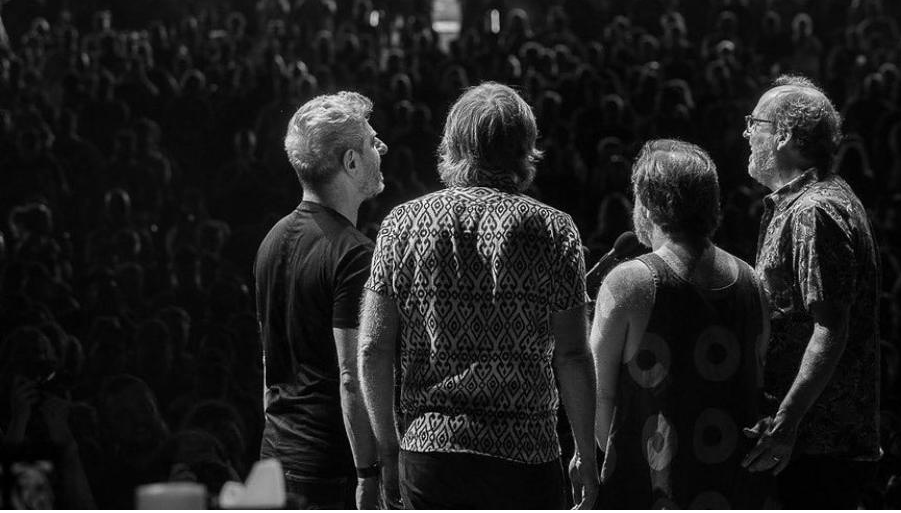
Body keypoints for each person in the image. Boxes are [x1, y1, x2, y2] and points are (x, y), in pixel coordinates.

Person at [358, 82, 598, 509]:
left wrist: (387, 450)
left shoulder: (402, 224)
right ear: (524, 148)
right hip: (527, 456)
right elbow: (573, 355)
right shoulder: (554, 229)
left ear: (452, 144)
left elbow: (374, 348)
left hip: (431, 453)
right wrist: (584, 452)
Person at [591, 139, 772, 508]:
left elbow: (601, 399)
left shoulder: (630, 282)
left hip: (653, 487)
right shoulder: (752, 282)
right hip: (735, 487)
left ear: (646, 205)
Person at [741, 74, 882, 508]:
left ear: (783, 135)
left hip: (814, 445)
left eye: (755, 122)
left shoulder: (814, 212)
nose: (747, 133)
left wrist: (786, 422)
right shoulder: (821, 199)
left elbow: (830, 328)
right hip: (812, 441)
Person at [255, 91, 387, 509]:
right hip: (330, 470)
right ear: (350, 161)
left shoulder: (271, 240)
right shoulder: (355, 254)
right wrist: (368, 472)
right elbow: (353, 373)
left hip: (276, 456)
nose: (380, 148)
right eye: (370, 141)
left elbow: (267, 361)